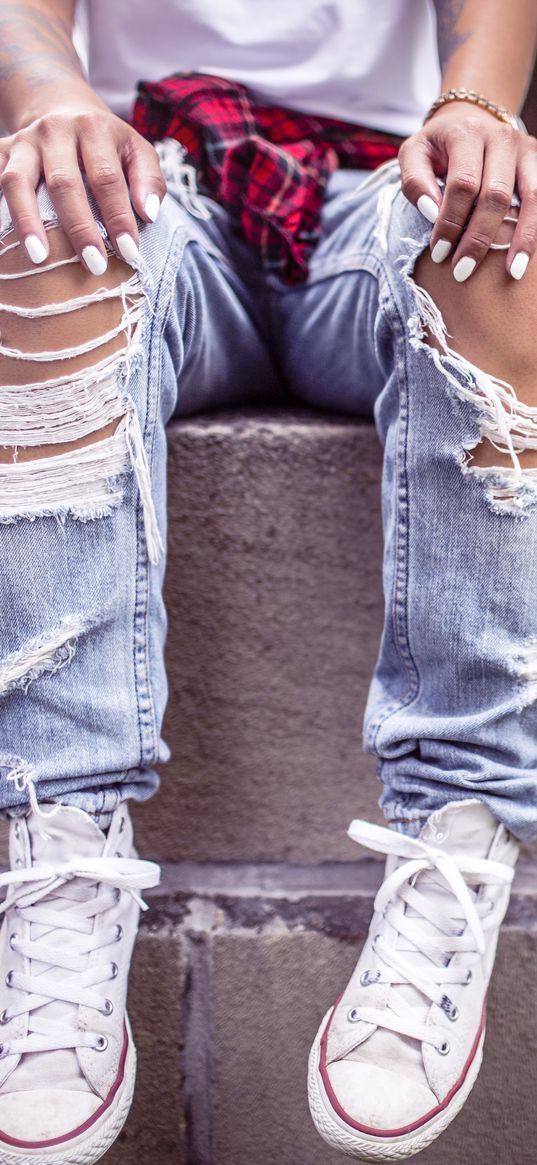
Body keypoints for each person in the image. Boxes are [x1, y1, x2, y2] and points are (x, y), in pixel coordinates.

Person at [0, 0, 535, 1161]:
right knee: (34, 228)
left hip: (382, 183)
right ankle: (61, 858)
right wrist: (49, 94)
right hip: (155, 169)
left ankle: (462, 833)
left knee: (507, 234)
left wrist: (478, 104)